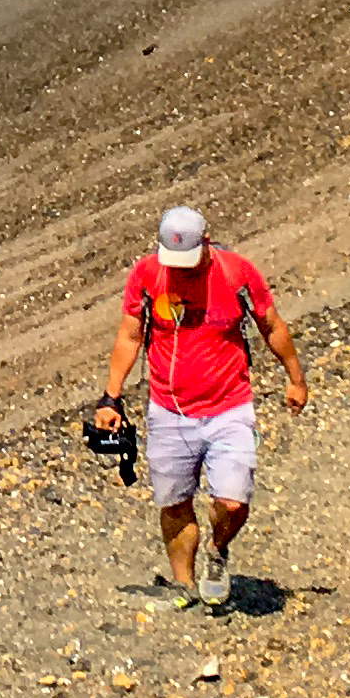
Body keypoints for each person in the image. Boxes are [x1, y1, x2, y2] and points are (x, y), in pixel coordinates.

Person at [91, 204, 308, 611]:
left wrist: (296, 379)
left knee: (232, 502)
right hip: (169, 410)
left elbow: (271, 325)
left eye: (188, 261)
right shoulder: (148, 275)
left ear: (206, 243)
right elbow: (130, 335)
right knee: (174, 502)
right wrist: (111, 397)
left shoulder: (236, 273)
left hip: (229, 407)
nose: (181, 269)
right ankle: (183, 585)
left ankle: (218, 551)